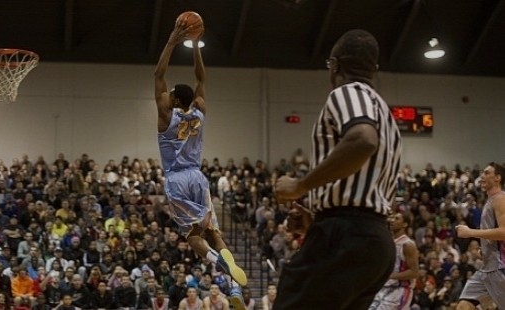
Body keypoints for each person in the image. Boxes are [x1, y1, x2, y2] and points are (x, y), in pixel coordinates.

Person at [274, 29, 402, 309]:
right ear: (375, 69)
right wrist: (318, 215)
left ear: (334, 65)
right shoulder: (386, 113)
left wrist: (300, 186)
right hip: (377, 241)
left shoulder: (346, 92)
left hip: (346, 234)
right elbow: (370, 195)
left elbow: (363, 139)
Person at [154, 15, 246, 309]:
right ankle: (234, 290)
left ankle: (217, 261)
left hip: (177, 180)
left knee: (194, 237)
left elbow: (158, 75)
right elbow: (202, 80)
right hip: (198, 177)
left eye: (169, 95)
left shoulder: (166, 118)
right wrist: (195, 46)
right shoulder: (199, 115)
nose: (165, 96)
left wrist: (172, 40)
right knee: (215, 233)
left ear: (174, 100)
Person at [455, 162, 505, 310]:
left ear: (498, 178)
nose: (482, 176)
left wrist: (470, 232)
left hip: (499, 268)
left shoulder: (500, 199)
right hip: (487, 268)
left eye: (487, 173)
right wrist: (486, 246)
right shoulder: (491, 200)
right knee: (464, 306)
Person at [370, 212, 419, 309]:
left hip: (400, 290)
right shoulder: (388, 241)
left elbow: (414, 272)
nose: (392, 221)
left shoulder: (408, 244)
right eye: (392, 218)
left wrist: (389, 275)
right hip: (383, 288)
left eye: (397, 219)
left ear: (405, 224)